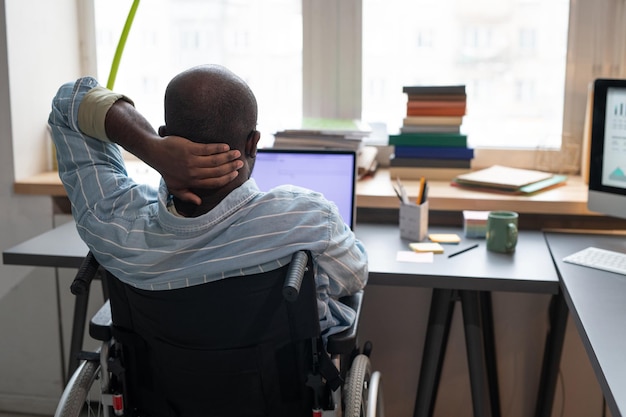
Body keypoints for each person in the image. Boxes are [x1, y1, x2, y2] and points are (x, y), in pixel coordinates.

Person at [48, 64, 368, 340]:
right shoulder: (309, 221)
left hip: (160, 399)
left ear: (164, 134)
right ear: (253, 143)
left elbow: (68, 103)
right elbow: (354, 276)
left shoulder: (112, 225)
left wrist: (148, 146)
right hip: (273, 396)